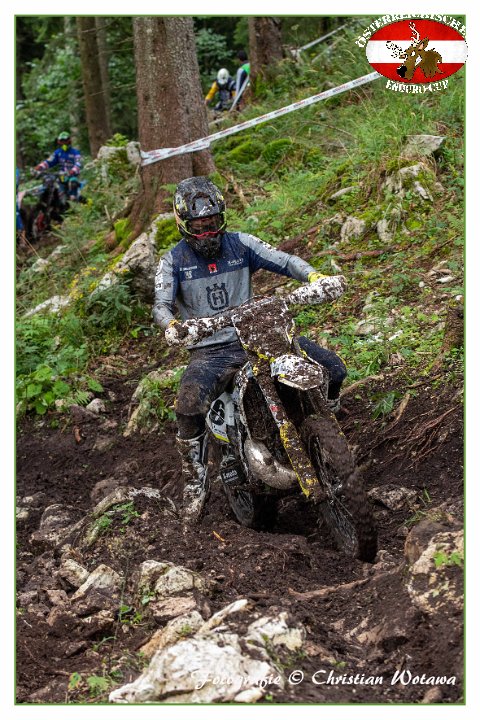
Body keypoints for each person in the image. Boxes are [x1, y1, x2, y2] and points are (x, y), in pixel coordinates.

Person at [153, 177, 347, 526]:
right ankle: (195, 482)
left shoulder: (241, 243)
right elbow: (161, 304)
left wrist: (315, 277)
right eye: (198, 226)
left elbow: (285, 261)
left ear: (222, 218)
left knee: (333, 368)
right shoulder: (172, 261)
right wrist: (172, 326)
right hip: (211, 349)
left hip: (259, 333)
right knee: (187, 404)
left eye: (213, 223)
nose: (207, 232)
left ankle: (330, 434)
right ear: (183, 224)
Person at [33, 131, 82, 201]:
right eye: (61, 141)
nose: (63, 143)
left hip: (73, 176)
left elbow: (78, 163)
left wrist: (73, 170)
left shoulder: (75, 152)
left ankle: (74, 197)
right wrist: (40, 167)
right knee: (51, 184)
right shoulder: (58, 152)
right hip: (61, 176)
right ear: (59, 142)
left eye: (65, 140)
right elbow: (49, 161)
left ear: (69, 141)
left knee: (73, 183)